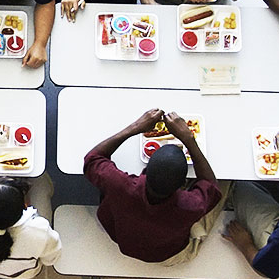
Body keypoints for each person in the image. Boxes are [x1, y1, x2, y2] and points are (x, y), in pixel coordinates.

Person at [83, 109, 223, 264]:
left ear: (145, 171)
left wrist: (136, 127)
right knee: (223, 184)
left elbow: (92, 159)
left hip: (119, 235)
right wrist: (189, 139)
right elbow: (211, 185)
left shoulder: (120, 185)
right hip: (167, 253)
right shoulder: (191, 205)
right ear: (184, 185)